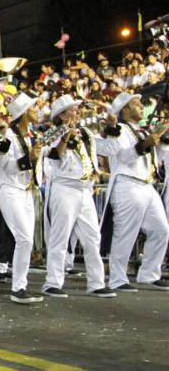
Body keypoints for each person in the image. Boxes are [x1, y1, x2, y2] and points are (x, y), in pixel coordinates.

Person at [41, 95, 116, 298]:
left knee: (93, 237)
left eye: (76, 109)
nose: (77, 112)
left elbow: (109, 148)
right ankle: (52, 282)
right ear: (62, 114)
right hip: (64, 187)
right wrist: (65, 136)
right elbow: (51, 154)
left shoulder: (86, 133)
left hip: (85, 190)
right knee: (59, 236)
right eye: (72, 109)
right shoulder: (53, 132)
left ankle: (96, 283)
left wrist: (111, 128)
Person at [99, 92, 169, 292]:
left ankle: (149, 274)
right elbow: (122, 156)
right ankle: (117, 279)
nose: (142, 107)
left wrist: (161, 140)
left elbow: (157, 158)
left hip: (147, 185)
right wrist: (146, 144)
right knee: (125, 233)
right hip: (127, 184)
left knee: (161, 230)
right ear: (126, 110)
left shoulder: (140, 130)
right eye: (137, 104)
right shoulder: (119, 130)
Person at [0, 93, 44, 304]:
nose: (37, 110)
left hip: (26, 191)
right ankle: (18, 288)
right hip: (10, 190)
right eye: (33, 108)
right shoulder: (9, 136)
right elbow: (1, 165)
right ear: (24, 114)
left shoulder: (29, 136)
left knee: (26, 241)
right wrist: (27, 159)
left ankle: (20, 286)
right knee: (25, 238)